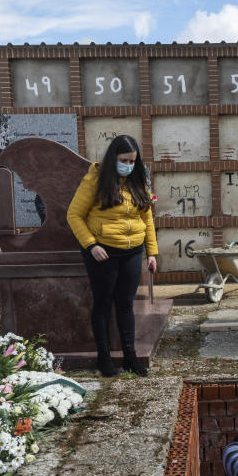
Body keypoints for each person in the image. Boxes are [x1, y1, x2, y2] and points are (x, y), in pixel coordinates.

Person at [67, 135, 158, 377]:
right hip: (103, 252)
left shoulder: (137, 180)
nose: (128, 165)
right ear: (113, 158)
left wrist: (152, 252)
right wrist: (91, 245)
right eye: (124, 160)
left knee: (126, 305)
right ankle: (104, 359)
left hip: (133, 250)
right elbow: (74, 215)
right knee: (103, 304)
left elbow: (146, 217)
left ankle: (130, 358)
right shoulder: (95, 180)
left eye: (132, 161)